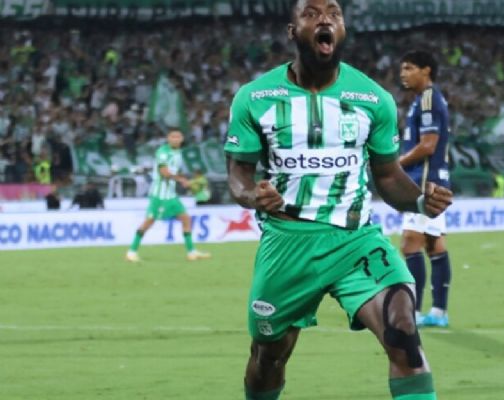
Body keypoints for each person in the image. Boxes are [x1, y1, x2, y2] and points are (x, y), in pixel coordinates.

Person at [224, 1, 453, 399]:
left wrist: (420, 201)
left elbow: (387, 176)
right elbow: (238, 172)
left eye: (333, 13)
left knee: (403, 332)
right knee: (269, 356)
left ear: (343, 29)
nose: (325, 19)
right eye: (311, 13)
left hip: (355, 241)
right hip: (288, 245)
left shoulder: (373, 98)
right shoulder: (255, 97)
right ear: (292, 31)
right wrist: (252, 194)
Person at [398, 50, 453, 328]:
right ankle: (439, 313)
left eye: (409, 68)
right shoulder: (424, 99)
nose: (403, 73)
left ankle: (415, 312)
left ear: (426, 70)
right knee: (433, 244)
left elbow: (428, 145)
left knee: (410, 242)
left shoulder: (429, 98)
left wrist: (397, 164)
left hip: (425, 182)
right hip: (432, 181)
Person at [125, 129, 210, 262]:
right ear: (168, 138)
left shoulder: (178, 152)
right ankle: (131, 252)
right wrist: (181, 180)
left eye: (178, 136)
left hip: (170, 195)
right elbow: (164, 172)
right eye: (172, 136)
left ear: (182, 138)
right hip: (160, 195)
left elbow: (174, 171)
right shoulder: (163, 152)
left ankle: (191, 252)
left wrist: (186, 181)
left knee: (186, 219)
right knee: (148, 222)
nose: (175, 139)